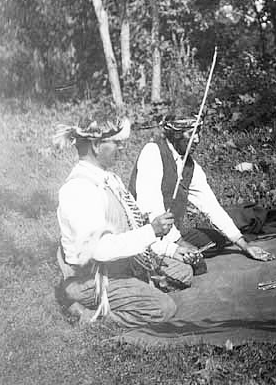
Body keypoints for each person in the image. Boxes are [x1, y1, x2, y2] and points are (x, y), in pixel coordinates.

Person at [54, 116, 194, 327]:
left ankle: (137, 286)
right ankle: (86, 314)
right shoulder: (79, 189)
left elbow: (131, 226)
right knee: (163, 308)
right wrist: (151, 231)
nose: (122, 148)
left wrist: (168, 249)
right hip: (93, 278)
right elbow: (100, 250)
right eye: (117, 143)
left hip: (121, 263)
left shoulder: (109, 178)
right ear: (95, 145)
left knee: (185, 272)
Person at [129, 115, 274, 263]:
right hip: (146, 235)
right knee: (192, 267)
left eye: (198, 132)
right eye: (191, 134)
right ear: (176, 134)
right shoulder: (153, 152)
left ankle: (182, 255)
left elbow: (211, 206)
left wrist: (244, 245)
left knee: (217, 240)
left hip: (171, 234)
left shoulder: (190, 165)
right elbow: (150, 209)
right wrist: (179, 243)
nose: (197, 139)